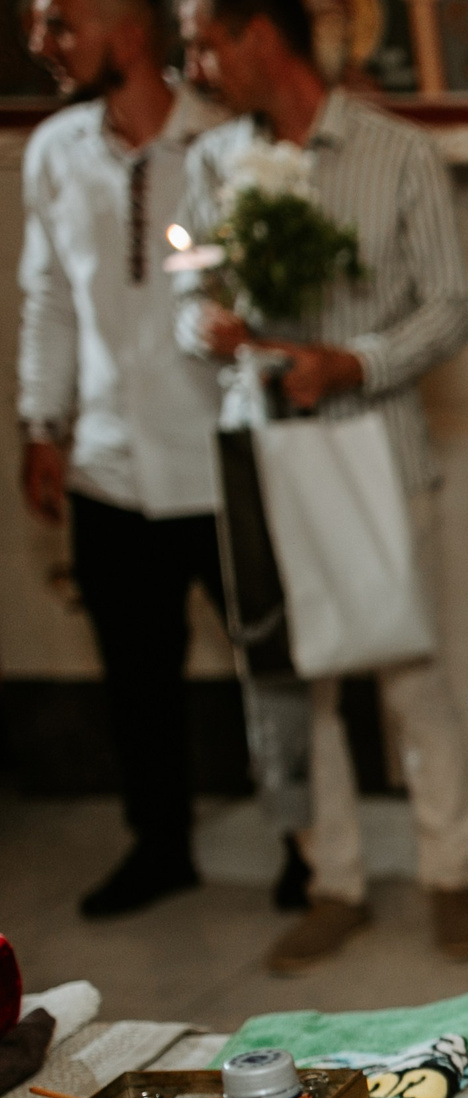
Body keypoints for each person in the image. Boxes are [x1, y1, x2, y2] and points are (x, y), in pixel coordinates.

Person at [175, 0, 468, 974]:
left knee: (412, 674)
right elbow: (194, 292)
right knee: (298, 679)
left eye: (203, 43)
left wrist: (350, 362)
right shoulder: (211, 159)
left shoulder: (397, 153)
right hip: (267, 448)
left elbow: (450, 307)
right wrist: (209, 327)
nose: (195, 65)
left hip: (375, 447)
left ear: (257, 33)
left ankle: (452, 872)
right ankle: (334, 880)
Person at [18, 0, 229, 919]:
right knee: (135, 675)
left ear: (129, 31)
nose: (42, 44)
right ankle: (160, 844)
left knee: (279, 666)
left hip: (218, 458)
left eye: (62, 22)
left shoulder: (220, 137)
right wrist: (42, 424)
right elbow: (49, 297)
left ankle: (310, 848)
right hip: (108, 459)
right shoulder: (54, 151)